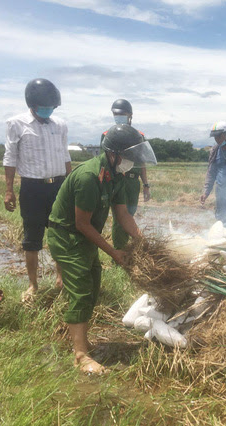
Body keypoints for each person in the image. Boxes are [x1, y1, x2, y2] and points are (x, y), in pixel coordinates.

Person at [47, 124, 154, 374]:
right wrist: (114, 252)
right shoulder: (88, 177)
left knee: (93, 284)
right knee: (82, 291)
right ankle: (80, 356)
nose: (132, 163)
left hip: (82, 235)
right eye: (129, 157)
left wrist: (142, 241)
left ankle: (79, 339)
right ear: (114, 154)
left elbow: (122, 214)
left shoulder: (116, 175)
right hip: (66, 236)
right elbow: (82, 224)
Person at [2, 78, 71, 302]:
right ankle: (33, 284)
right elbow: (10, 157)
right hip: (32, 188)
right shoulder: (16, 124)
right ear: (31, 104)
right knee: (32, 239)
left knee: (60, 234)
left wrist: (70, 185)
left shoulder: (59, 124)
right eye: (44, 105)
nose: (48, 110)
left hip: (58, 186)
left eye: (52, 106)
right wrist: (8, 190)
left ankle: (60, 279)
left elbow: (65, 155)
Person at [107, 99, 152, 249]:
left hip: (133, 183)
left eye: (122, 114)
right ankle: (119, 251)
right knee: (118, 217)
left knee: (129, 215)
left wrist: (146, 185)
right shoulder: (108, 135)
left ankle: (126, 247)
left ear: (130, 115)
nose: (118, 116)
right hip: (118, 181)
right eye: (116, 114)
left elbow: (142, 162)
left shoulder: (138, 136)